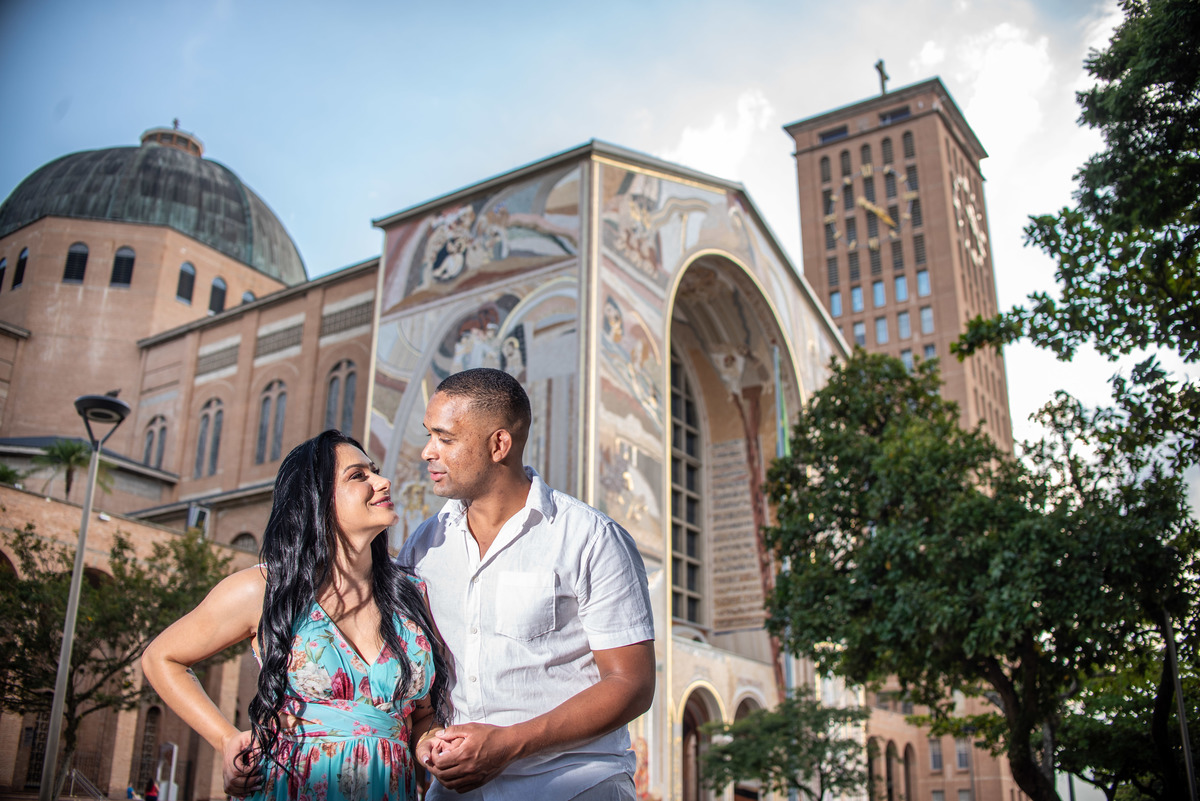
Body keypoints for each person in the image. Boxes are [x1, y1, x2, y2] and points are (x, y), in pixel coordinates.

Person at [142, 430, 450, 800]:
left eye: (375, 471)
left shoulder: (411, 595)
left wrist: (428, 745)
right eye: (358, 476)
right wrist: (226, 739)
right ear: (315, 501)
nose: (382, 482)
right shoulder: (263, 591)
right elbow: (162, 658)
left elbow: (421, 715)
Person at [401, 367, 656, 800]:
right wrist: (426, 740)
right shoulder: (424, 547)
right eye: (428, 435)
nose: (428, 452)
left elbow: (631, 684)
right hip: (457, 790)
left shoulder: (589, 538)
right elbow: (420, 677)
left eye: (444, 439)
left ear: (498, 444)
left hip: (574, 785)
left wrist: (509, 743)